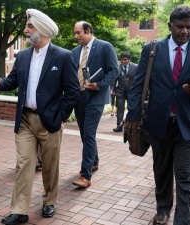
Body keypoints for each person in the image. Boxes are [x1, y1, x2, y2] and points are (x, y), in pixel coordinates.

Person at [124, 5, 190, 224]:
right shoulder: (152, 49)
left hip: (189, 125)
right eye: (180, 26)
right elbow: (138, 85)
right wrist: (134, 114)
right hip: (159, 123)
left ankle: (183, 221)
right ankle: (163, 209)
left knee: (185, 176)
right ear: (170, 26)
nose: (184, 31)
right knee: (162, 171)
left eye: (189, 27)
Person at [0, 9, 80, 225]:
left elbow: (73, 91)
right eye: (27, 26)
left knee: (50, 164)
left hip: (50, 122)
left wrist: (60, 117)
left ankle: (49, 200)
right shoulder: (23, 55)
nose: (25, 30)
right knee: (24, 163)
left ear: (42, 30)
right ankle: (19, 210)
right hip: (26, 120)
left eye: (30, 27)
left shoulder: (64, 56)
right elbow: (13, 81)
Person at [71, 21, 119, 188]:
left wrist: (99, 84)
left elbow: (114, 70)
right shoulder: (75, 51)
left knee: (89, 134)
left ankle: (85, 176)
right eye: (75, 33)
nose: (76, 36)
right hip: (79, 98)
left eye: (79, 33)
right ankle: (94, 161)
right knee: (85, 134)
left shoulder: (105, 47)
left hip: (96, 97)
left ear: (88, 30)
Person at [113, 51, 138, 132]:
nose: (123, 61)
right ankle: (119, 125)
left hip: (132, 92)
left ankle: (130, 125)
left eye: (125, 59)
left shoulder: (135, 67)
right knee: (120, 108)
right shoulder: (117, 67)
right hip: (120, 91)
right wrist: (113, 89)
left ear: (129, 59)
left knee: (131, 108)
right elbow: (114, 79)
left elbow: (139, 79)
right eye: (122, 59)